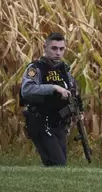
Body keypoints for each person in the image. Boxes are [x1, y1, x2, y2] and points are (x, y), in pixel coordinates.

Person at [19, 32, 84, 166]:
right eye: (54, 48)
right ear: (45, 47)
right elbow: (26, 90)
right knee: (57, 164)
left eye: (62, 49)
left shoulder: (64, 71)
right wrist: (53, 87)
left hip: (59, 124)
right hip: (40, 122)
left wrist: (78, 111)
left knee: (59, 165)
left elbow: (73, 93)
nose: (58, 53)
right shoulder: (36, 68)